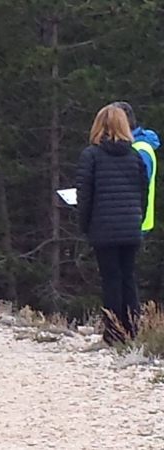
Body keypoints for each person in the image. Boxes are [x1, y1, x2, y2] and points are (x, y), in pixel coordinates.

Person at [77, 105, 149, 346]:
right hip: (130, 225)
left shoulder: (91, 155)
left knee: (110, 279)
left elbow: (84, 195)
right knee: (128, 277)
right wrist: (136, 219)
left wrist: (85, 224)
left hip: (103, 226)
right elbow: (143, 192)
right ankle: (132, 329)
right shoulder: (135, 156)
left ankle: (113, 333)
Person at [112, 101, 158, 234]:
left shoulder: (140, 150)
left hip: (135, 223)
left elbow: (137, 187)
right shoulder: (132, 146)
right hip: (130, 220)